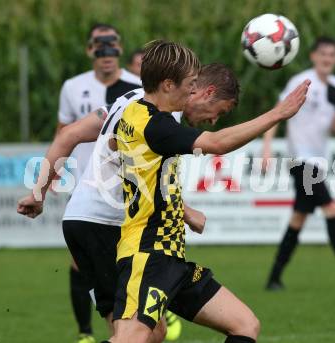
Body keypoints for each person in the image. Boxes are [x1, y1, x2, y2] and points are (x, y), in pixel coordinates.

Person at [17, 62, 240, 342]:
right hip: (105, 224)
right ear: (204, 92)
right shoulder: (158, 119)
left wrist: (38, 194)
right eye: (219, 112)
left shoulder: (129, 100)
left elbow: (68, 134)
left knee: (148, 332)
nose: (213, 121)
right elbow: (136, 174)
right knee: (138, 334)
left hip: (84, 221)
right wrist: (185, 211)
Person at [108, 39, 309, 343]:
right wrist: (276, 115)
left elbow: (116, 146)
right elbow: (215, 144)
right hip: (148, 255)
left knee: (245, 325)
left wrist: (178, 207)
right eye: (189, 84)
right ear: (166, 85)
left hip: (172, 258)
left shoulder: (135, 113)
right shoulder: (154, 125)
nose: (192, 91)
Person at [262, 36, 335, 291]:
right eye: (323, 54)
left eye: (332, 55)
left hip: (317, 161)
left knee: (298, 218)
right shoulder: (302, 82)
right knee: (331, 209)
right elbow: (276, 114)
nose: (327, 59)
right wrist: (267, 148)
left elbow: (330, 124)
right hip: (301, 162)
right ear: (313, 56)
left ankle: (274, 277)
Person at [57, 22, 141, 343]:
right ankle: (85, 332)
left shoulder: (137, 86)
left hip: (129, 188)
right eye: (99, 45)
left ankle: (145, 321)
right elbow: (64, 131)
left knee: (137, 258)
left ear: (120, 47)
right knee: (81, 263)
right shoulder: (73, 87)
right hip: (85, 185)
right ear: (89, 50)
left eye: (112, 43)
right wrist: (55, 171)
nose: (106, 52)